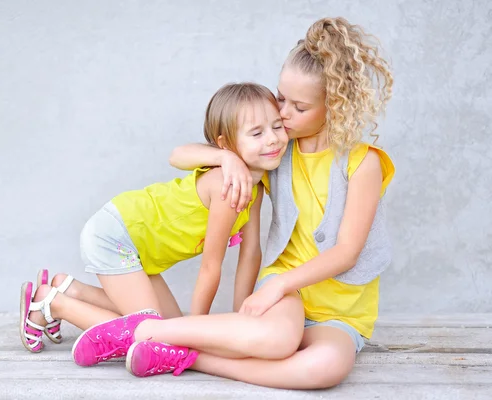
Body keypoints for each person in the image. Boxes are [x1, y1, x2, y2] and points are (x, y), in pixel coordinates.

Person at [73, 17, 396, 389]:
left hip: (340, 308)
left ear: (335, 106)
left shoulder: (363, 163)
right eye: (280, 98)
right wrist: (225, 158)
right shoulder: (278, 147)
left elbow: (347, 252)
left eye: (299, 107)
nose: (283, 114)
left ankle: (182, 351)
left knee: (324, 369)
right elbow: (179, 154)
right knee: (277, 340)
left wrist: (275, 287)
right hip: (286, 292)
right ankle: (155, 332)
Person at [18, 83, 289, 366]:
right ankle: (53, 304)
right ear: (225, 145)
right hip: (116, 236)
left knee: (170, 323)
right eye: (257, 133)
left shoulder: (254, 189)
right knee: (161, 334)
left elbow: (251, 253)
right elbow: (211, 266)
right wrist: (196, 331)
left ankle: (70, 289)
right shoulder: (226, 185)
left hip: (140, 247)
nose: (272, 139)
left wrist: (241, 316)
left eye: (278, 127)